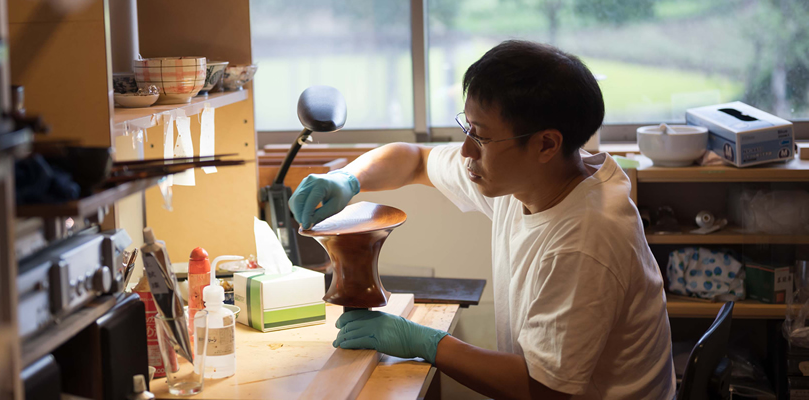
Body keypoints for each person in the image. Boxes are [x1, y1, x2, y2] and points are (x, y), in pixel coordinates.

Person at [288, 40, 674, 399]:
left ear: (546, 144)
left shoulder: (586, 239)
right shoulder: (531, 179)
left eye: (482, 137)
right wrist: (347, 180)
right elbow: (414, 160)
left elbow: (545, 390)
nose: (467, 149)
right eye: (467, 128)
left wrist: (426, 343)